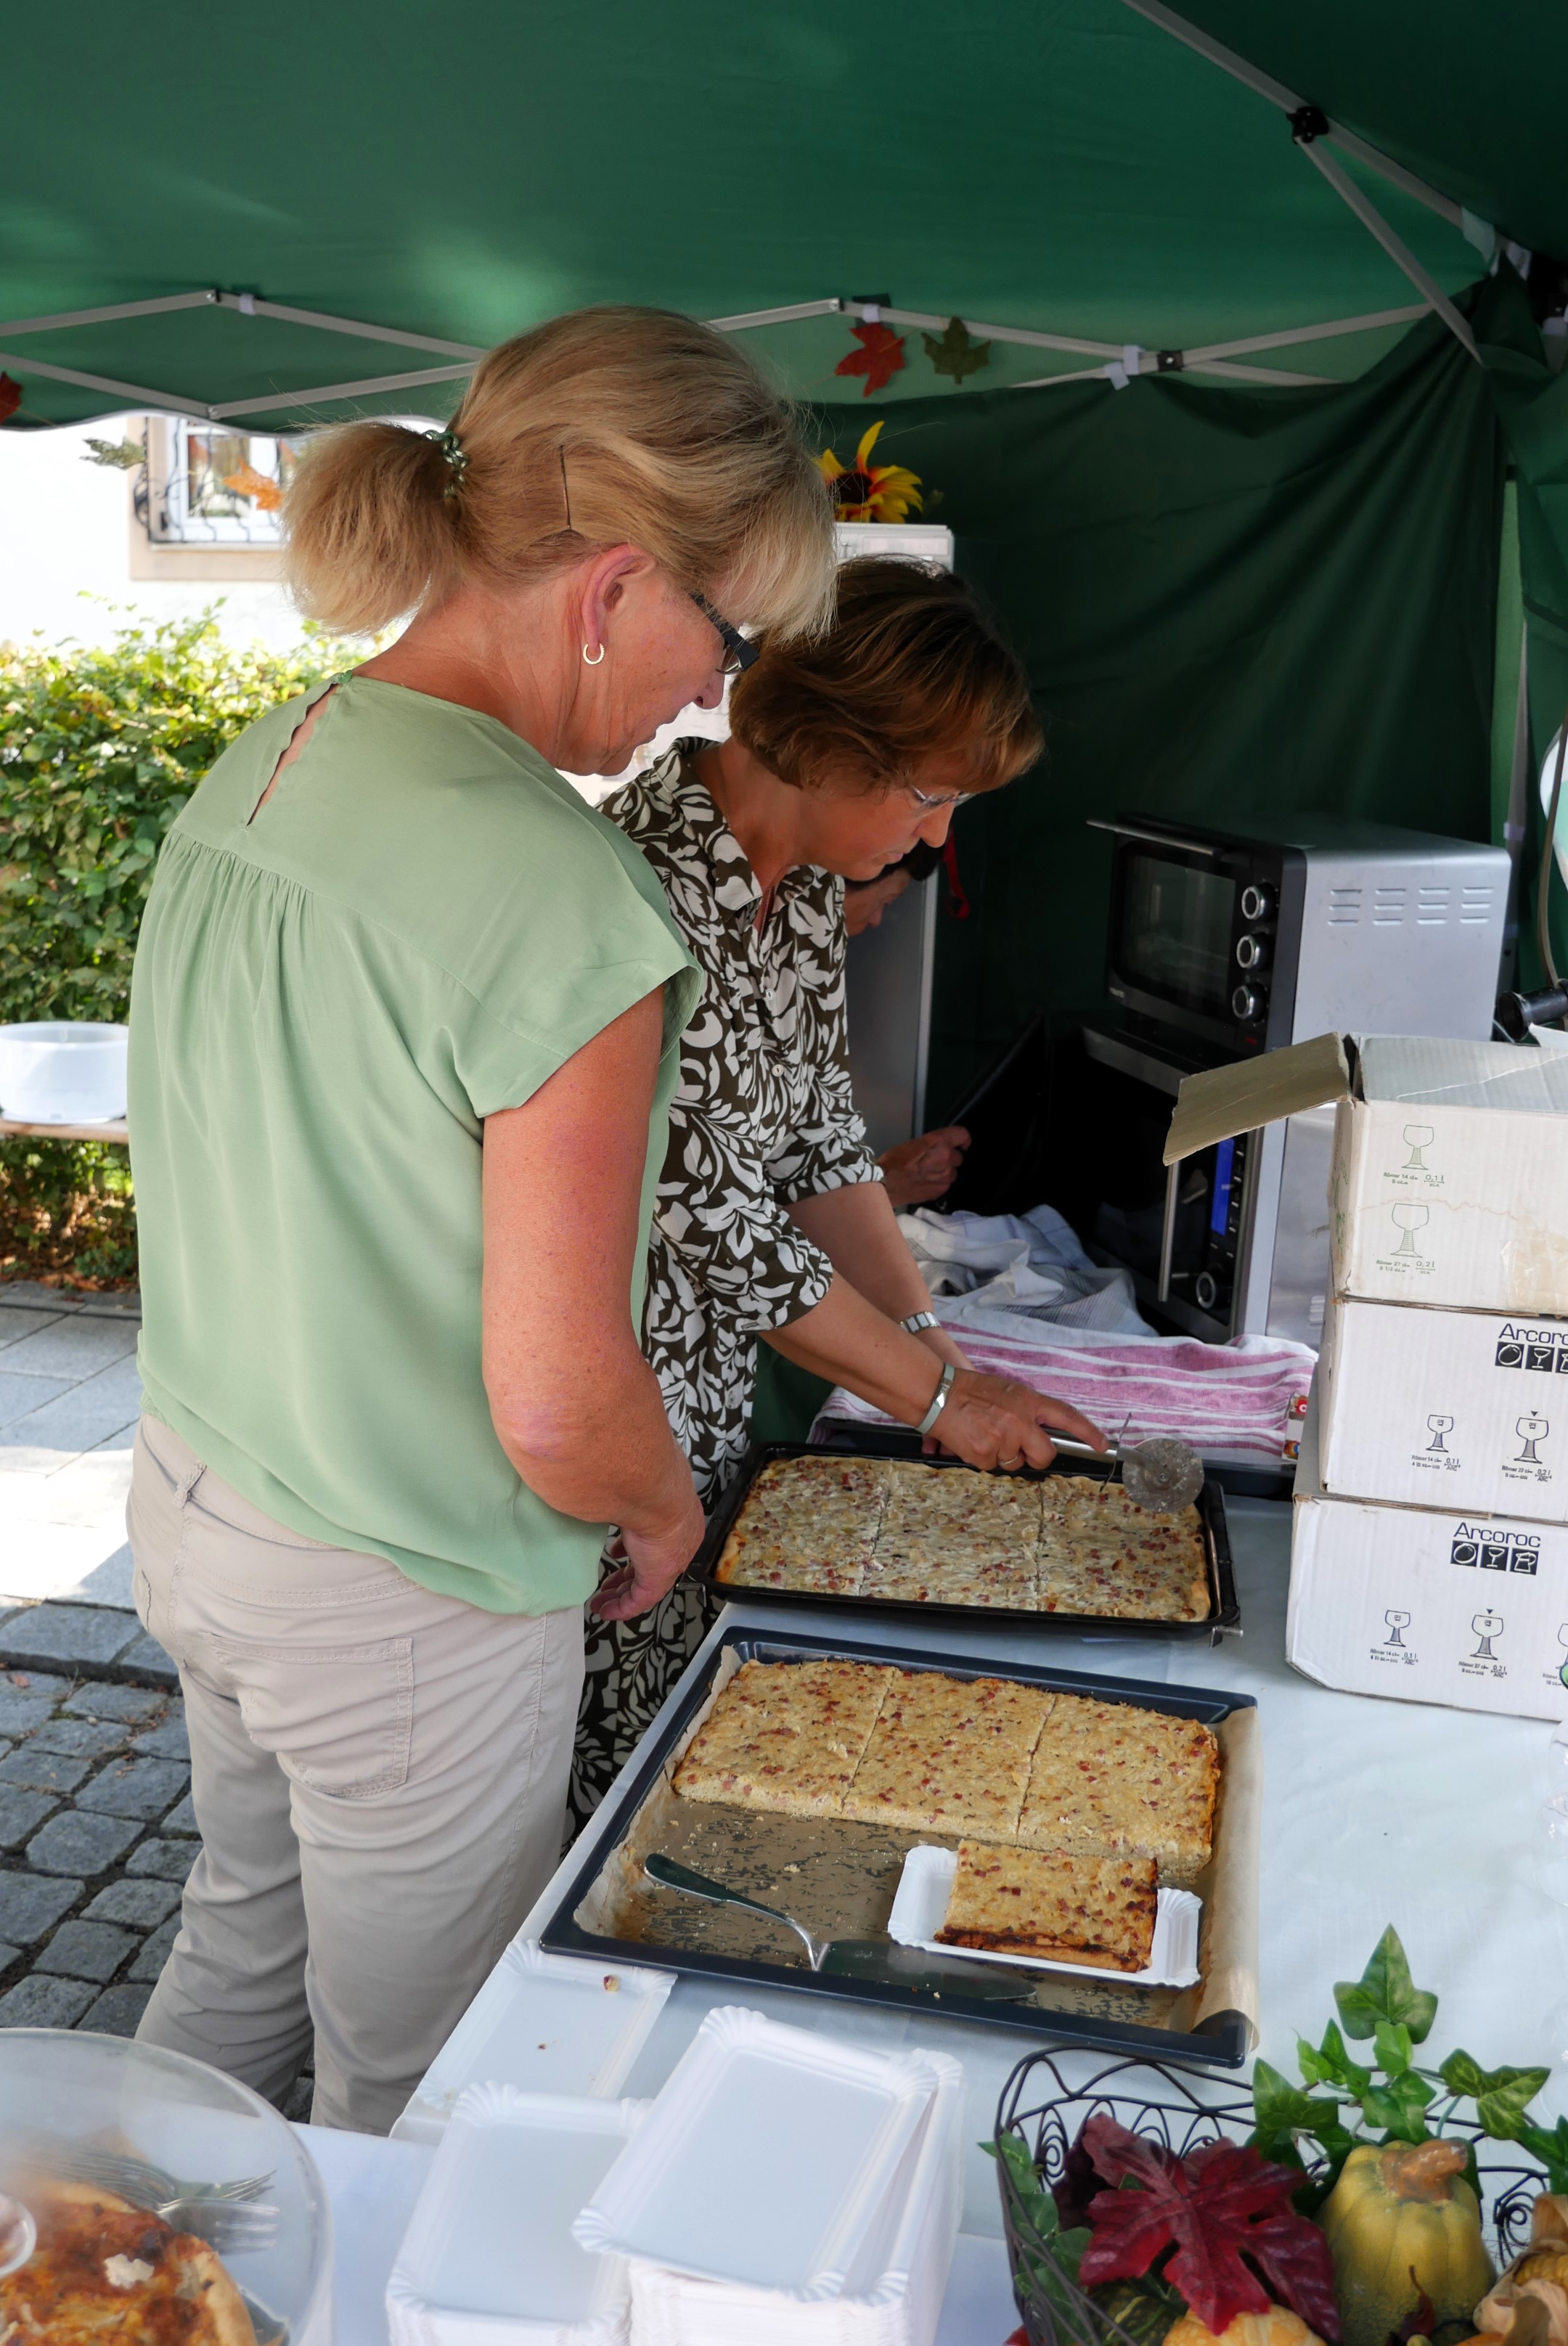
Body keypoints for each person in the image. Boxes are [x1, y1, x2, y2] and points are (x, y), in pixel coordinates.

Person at [123, 306, 837, 2132]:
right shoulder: (560, 889)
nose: (711, 695)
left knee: (236, 1945)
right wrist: (669, 1499)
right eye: (724, 636)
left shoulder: (272, 753)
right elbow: (554, 1394)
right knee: (417, 2094)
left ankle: (81, 2269)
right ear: (611, 588)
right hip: (405, 1589)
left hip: (207, 1501)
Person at [573, 558, 1106, 1818]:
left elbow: (819, 1143)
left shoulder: (801, 894)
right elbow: (709, 1217)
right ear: (830, 742)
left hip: (699, 1419)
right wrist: (936, 1399)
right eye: (932, 797)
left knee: (658, 1763)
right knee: (575, 1810)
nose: (935, 836)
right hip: (594, 1431)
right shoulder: (630, 887)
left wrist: (934, 1348)